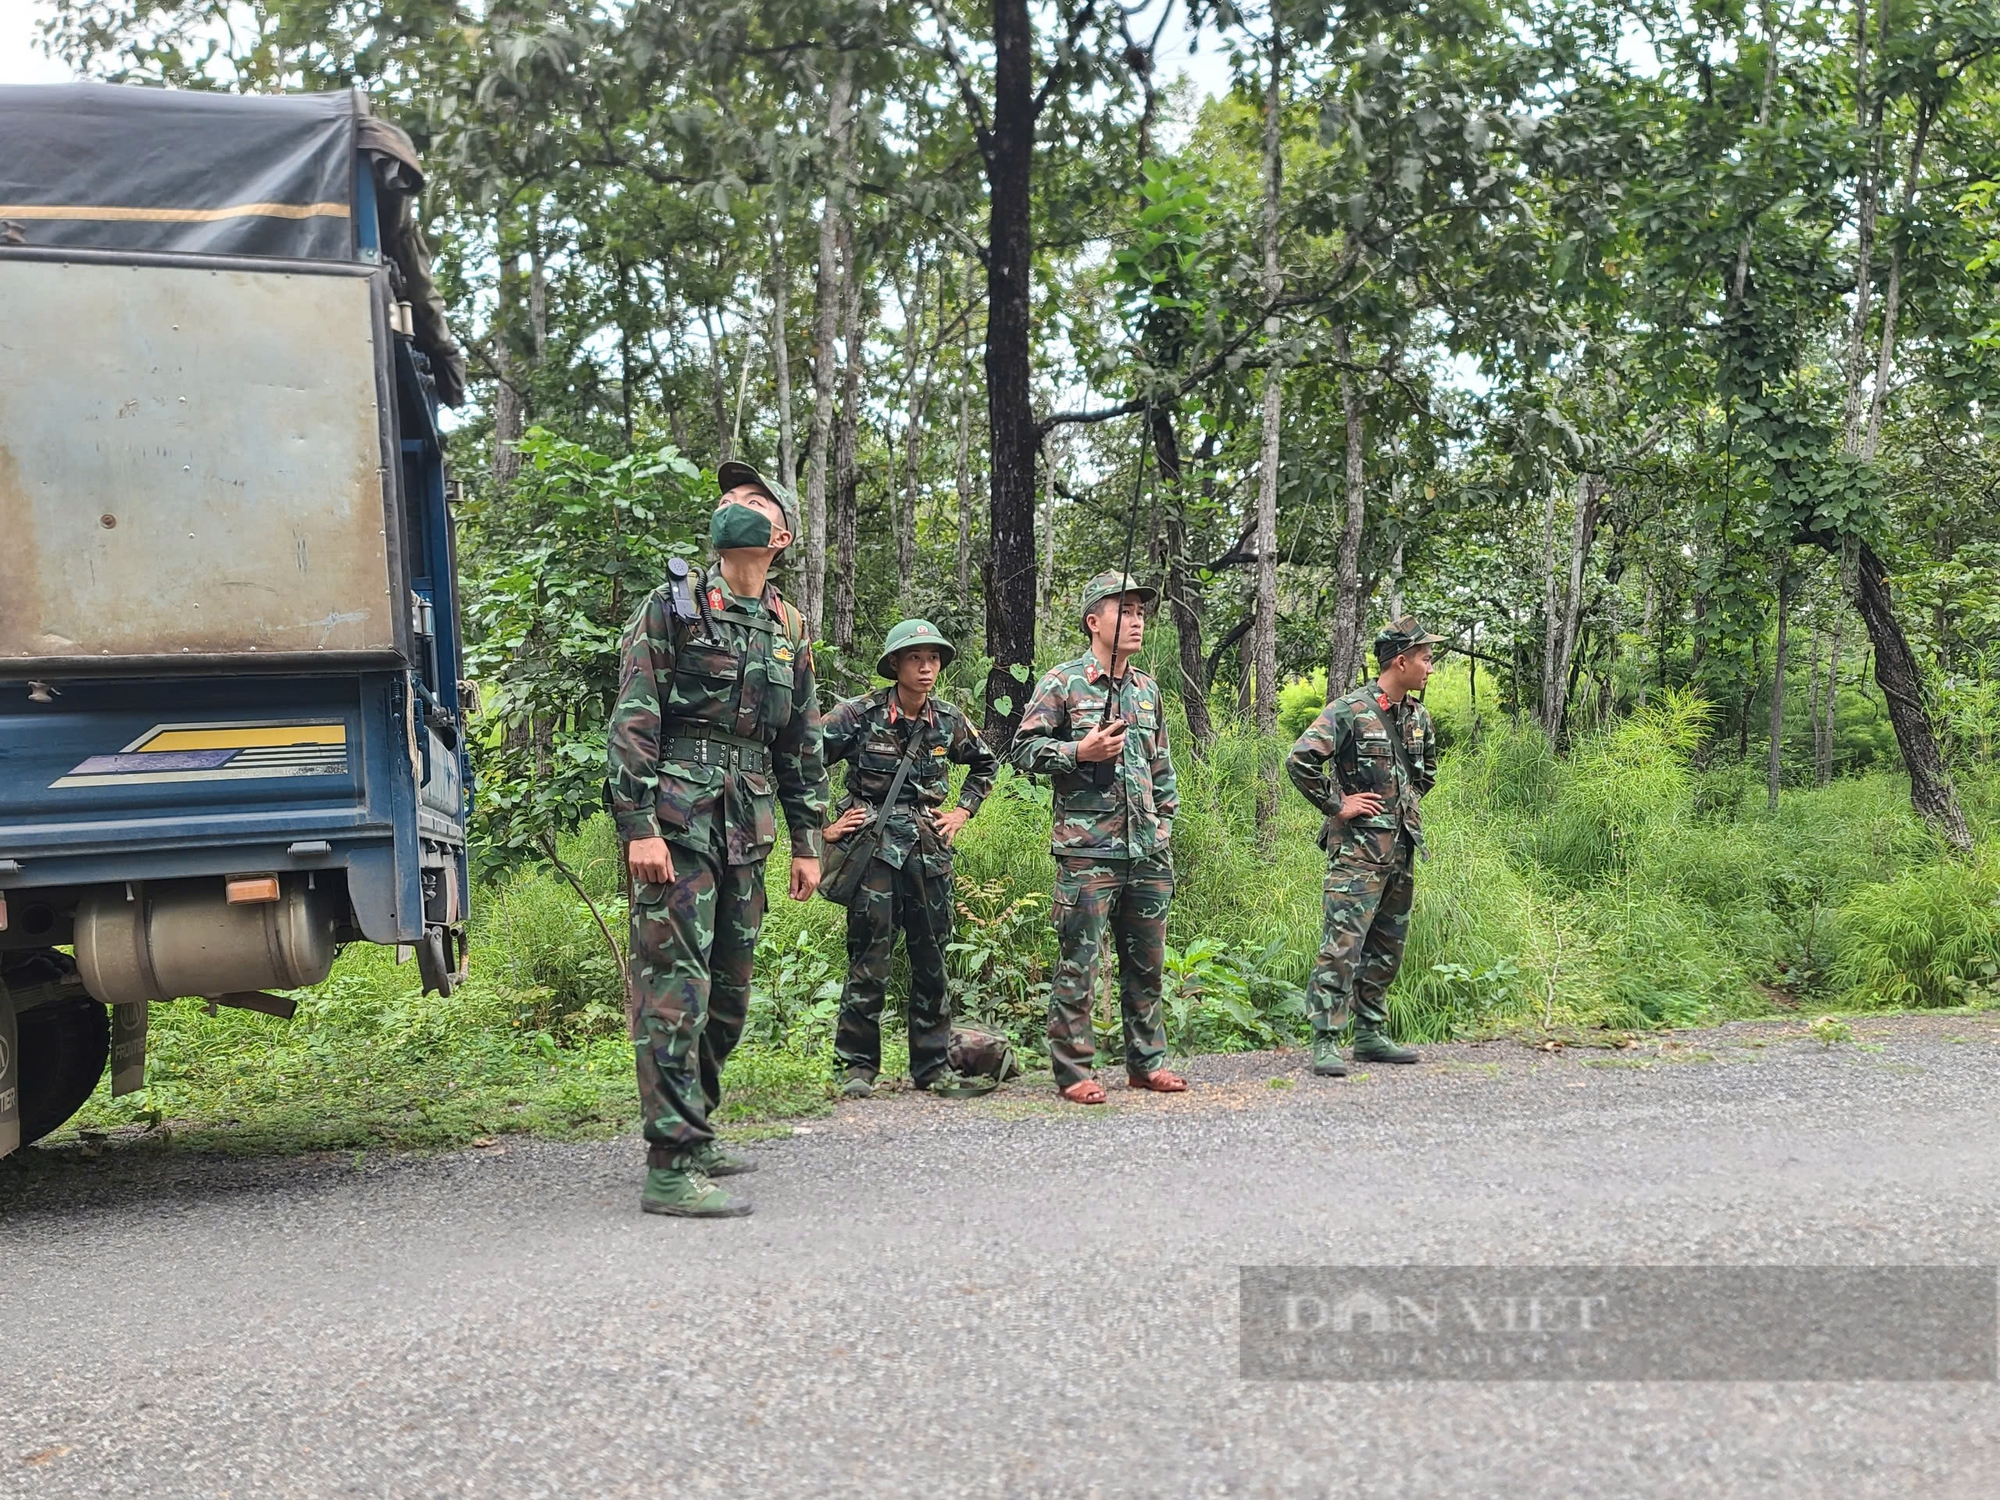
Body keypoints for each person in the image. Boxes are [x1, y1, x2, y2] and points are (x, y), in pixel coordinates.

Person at [606, 459, 828, 1218]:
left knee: (727, 995)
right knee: (675, 989)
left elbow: (799, 739)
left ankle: (695, 1131)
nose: (735, 503)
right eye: (729, 496)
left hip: (749, 826)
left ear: (781, 535)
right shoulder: (672, 607)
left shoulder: (788, 626)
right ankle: (668, 1165)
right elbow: (634, 718)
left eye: (754, 498)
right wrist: (637, 826)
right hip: (677, 821)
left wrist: (808, 839)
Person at [1010, 572, 1188, 1104]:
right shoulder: (1063, 683)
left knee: (1147, 965)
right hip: (1088, 853)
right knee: (1080, 965)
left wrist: (1164, 824)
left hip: (1148, 851)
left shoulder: (1147, 689)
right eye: (1124, 610)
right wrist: (1077, 753)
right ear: (1094, 622)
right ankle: (1073, 1072)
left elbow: (1162, 766)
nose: (1136, 620)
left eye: (1140, 611)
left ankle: (1146, 1063)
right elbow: (1021, 752)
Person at [820, 620, 1001, 1100]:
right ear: (896, 664)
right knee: (869, 958)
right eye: (916, 658)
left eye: (934, 658)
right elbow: (801, 759)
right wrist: (822, 825)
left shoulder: (948, 719)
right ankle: (856, 1068)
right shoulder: (857, 715)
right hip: (872, 849)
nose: (926, 667)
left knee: (931, 958)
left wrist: (962, 811)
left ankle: (931, 1067)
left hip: (928, 851)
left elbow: (985, 762)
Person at [1285, 615, 1445, 1077]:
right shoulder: (1349, 711)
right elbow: (1300, 760)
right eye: (1425, 659)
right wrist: (1339, 804)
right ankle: (1326, 1041)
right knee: (1342, 946)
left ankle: (1371, 1035)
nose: (1430, 668)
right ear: (1401, 661)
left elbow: (1425, 773)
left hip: (1401, 848)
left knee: (1387, 946)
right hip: (1356, 853)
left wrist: (1399, 809)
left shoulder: (1418, 717)